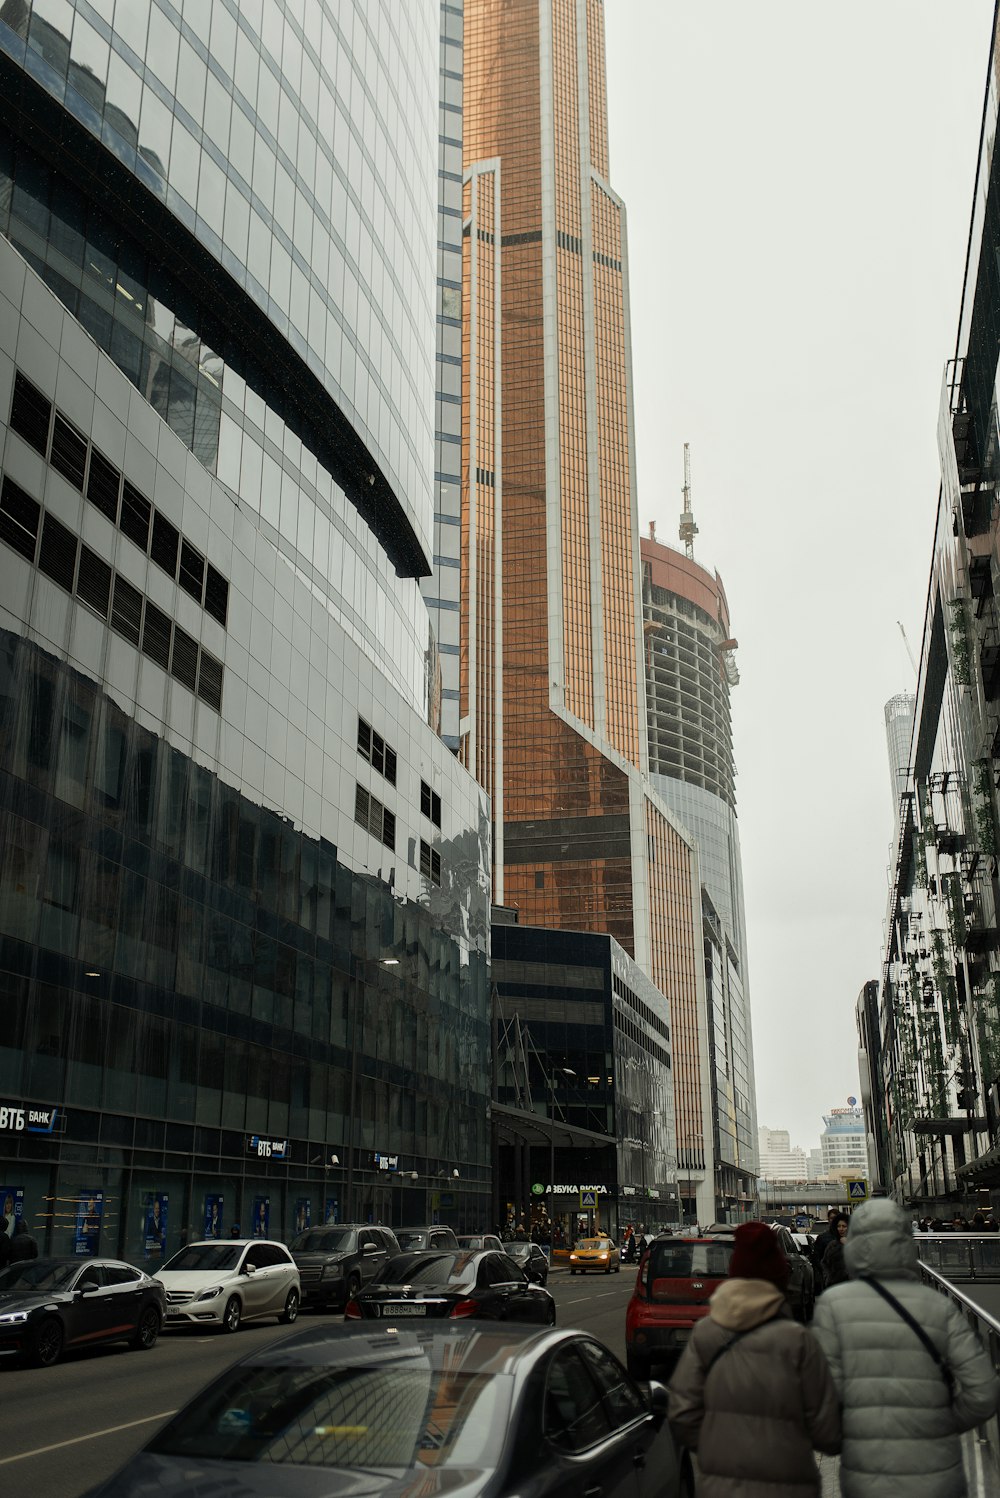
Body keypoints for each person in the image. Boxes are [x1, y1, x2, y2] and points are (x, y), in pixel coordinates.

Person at [812, 1198, 1000, 1498]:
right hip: (939, 1474)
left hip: (866, 1474)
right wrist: (942, 1424)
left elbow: (819, 1399)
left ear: (856, 1244)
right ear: (906, 1242)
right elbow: (984, 1392)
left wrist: (841, 1441)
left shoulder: (833, 1306)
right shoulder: (939, 1306)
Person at [668, 1220, 840, 1496]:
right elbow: (829, 1432)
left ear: (734, 1273)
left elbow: (681, 1414)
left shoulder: (705, 1334)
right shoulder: (797, 1341)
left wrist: (718, 1449)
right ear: (780, 1276)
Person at [821, 1213, 849, 1289]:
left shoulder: (856, 1243)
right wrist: (827, 1277)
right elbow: (824, 1263)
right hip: (834, 1285)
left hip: (851, 1285)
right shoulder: (832, 1245)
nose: (841, 1229)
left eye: (844, 1226)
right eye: (838, 1226)